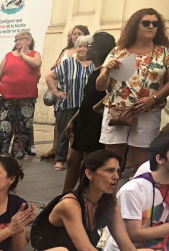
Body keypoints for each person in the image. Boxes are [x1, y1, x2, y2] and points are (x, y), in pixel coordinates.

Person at [34, 150, 157, 251]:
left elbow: (126, 245)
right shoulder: (70, 204)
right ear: (89, 174)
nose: (116, 177)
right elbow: (86, 250)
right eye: (109, 171)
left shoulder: (109, 204)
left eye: (118, 171)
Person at [96, 8, 169, 172]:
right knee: (112, 162)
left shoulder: (164, 52)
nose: (151, 27)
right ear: (135, 26)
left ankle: (137, 196)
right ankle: (108, 196)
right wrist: (106, 71)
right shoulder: (118, 51)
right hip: (117, 110)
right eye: (146, 23)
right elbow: (100, 86)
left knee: (141, 162)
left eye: (155, 24)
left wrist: (153, 99)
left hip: (147, 110)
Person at [64, 31, 117, 193]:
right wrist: (74, 119)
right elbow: (87, 101)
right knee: (72, 161)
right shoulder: (94, 71)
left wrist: (98, 106)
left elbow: (113, 94)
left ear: (99, 49)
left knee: (88, 166)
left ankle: (84, 197)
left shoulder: (107, 73)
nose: (86, 49)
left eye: (91, 46)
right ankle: (63, 196)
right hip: (84, 121)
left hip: (95, 123)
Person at [0, 31, 42, 159]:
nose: (17, 42)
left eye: (20, 39)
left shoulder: (35, 55)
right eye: (16, 39)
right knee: (4, 125)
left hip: (27, 96)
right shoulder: (8, 56)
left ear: (28, 41)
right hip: (7, 95)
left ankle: (19, 151)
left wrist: (23, 54)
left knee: (24, 125)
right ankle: (2, 150)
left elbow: (36, 64)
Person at [46, 35, 96, 171]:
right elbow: (49, 76)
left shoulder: (94, 64)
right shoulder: (67, 63)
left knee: (84, 133)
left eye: (85, 46)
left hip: (86, 105)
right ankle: (60, 159)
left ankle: (82, 160)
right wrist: (55, 91)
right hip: (68, 103)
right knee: (64, 132)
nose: (82, 49)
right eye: (80, 46)